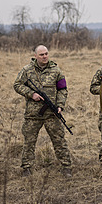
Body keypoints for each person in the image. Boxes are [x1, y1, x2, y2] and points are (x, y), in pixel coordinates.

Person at [13, 45, 72, 177]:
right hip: (33, 114)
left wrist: (60, 106)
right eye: (41, 55)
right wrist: (31, 94)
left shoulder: (56, 70)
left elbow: (62, 89)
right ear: (35, 56)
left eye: (46, 54)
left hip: (52, 113)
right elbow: (17, 85)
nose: (44, 56)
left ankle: (66, 166)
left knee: (59, 140)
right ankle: (26, 168)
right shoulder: (27, 70)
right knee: (29, 141)